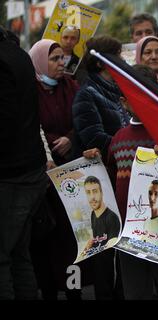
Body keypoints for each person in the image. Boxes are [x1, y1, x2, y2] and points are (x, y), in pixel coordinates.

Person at [105, 64, 158, 299]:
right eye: (135, 97)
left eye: (147, 95)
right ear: (124, 102)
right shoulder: (119, 139)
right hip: (129, 234)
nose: (142, 102)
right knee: (136, 291)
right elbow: (113, 178)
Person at [29, 39, 81, 300]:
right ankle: (48, 291)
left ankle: (74, 290)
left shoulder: (71, 86)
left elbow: (83, 117)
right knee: (46, 238)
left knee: (72, 238)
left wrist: (71, 137)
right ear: (39, 62)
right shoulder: (29, 91)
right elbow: (29, 125)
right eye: (54, 58)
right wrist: (49, 143)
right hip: (45, 176)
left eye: (63, 58)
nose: (62, 63)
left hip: (72, 171)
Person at [0, 25, 47, 300]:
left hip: (11, 174)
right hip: (29, 169)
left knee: (3, 258)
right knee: (19, 253)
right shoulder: (17, 54)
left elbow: (4, 123)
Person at [72, 35, 130, 160]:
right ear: (100, 63)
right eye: (117, 55)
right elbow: (95, 139)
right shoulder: (86, 94)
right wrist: (130, 145)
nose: (122, 59)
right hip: (108, 166)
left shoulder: (118, 89)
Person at [82, 176, 120, 253]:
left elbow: (111, 244)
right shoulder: (93, 213)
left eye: (95, 191)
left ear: (101, 193)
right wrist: (90, 244)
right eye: (88, 193)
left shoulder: (111, 217)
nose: (92, 197)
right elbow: (96, 237)